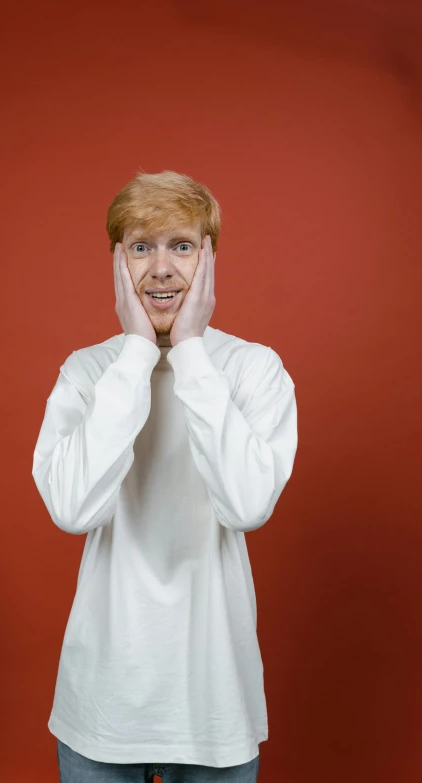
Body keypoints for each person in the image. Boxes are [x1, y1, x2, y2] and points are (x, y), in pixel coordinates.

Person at [32, 170, 298, 782]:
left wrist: (193, 352)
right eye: (140, 246)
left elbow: (247, 506)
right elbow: (73, 510)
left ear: (209, 259)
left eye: (181, 246)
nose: (160, 269)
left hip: (212, 707)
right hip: (101, 707)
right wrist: (134, 353)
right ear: (117, 262)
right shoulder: (87, 371)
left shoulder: (254, 370)